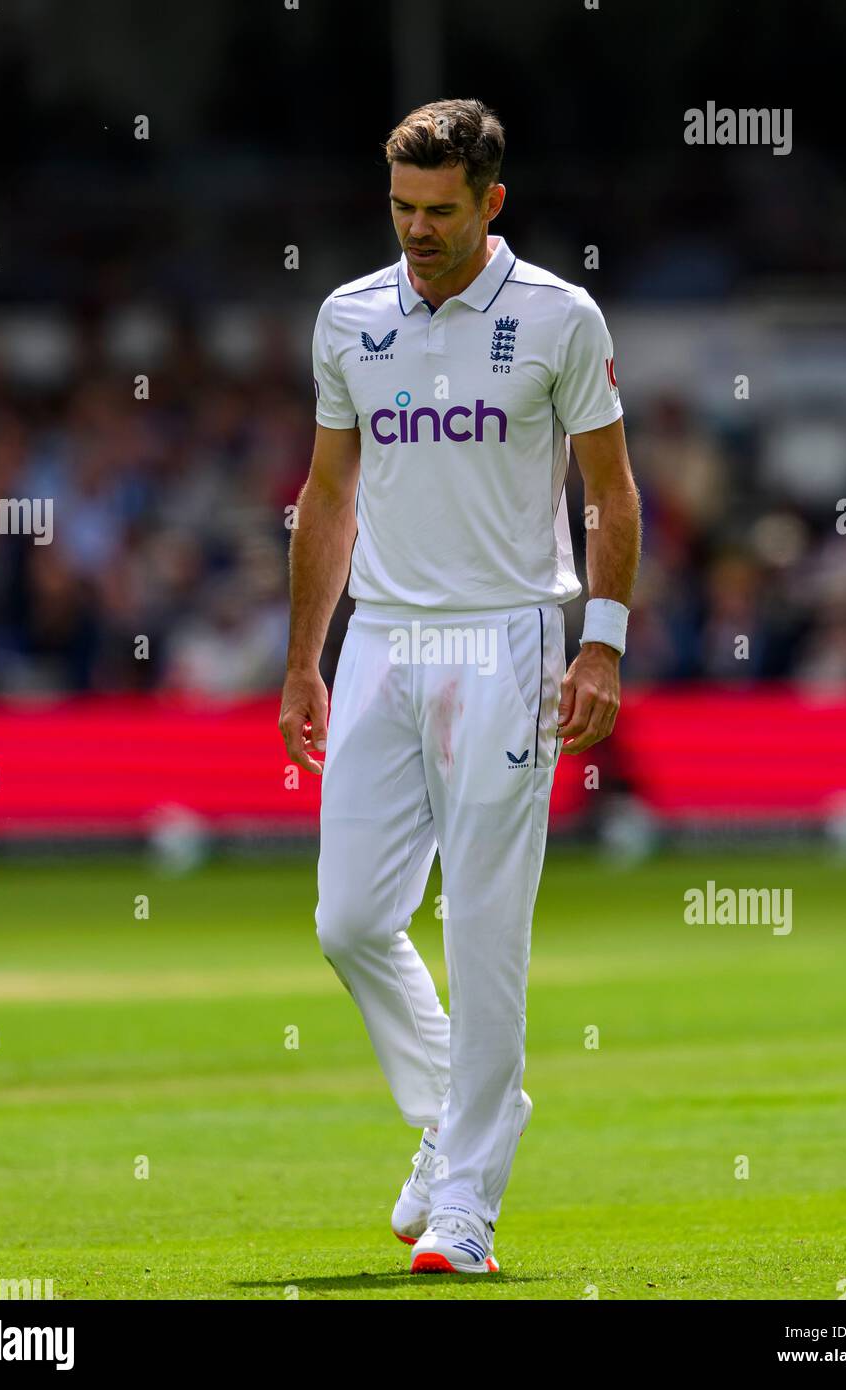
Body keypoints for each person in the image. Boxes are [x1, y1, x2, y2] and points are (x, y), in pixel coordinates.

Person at [279, 98, 641, 1275]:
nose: (415, 230)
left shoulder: (556, 317)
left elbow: (612, 493)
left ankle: (468, 1207)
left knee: (483, 928)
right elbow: (327, 498)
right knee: (349, 920)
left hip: (508, 636)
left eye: (439, 211)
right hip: (382, 636)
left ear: (492, 202)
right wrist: (303, 661)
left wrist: (602, 641)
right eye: (399, 206)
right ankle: (457, 1116)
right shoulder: (349, 315)